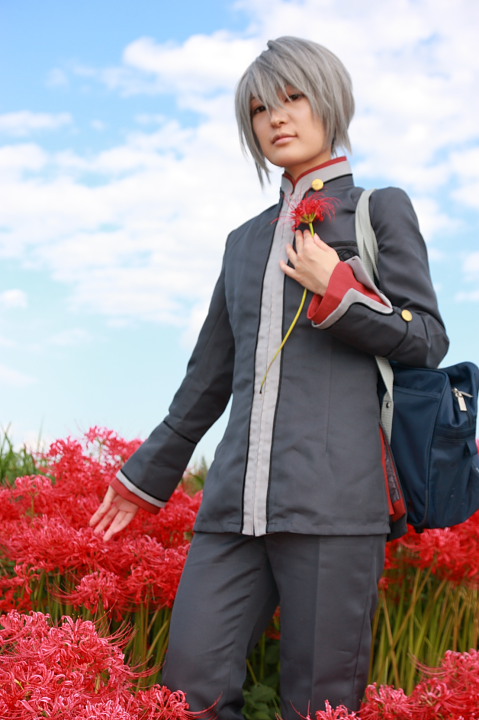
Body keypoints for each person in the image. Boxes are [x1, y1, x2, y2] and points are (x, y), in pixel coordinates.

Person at [90, 37, 449, 718]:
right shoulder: (244, 242)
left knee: (319, 704)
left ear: (328, 101)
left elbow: (426, 338)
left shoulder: (377, 209)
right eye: (258, 109)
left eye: (292, 97)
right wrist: (143, 477)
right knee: (187, 692)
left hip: (336, 504)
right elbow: (206, 379)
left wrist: (339, 288)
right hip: (232, 508)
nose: (276, 117)